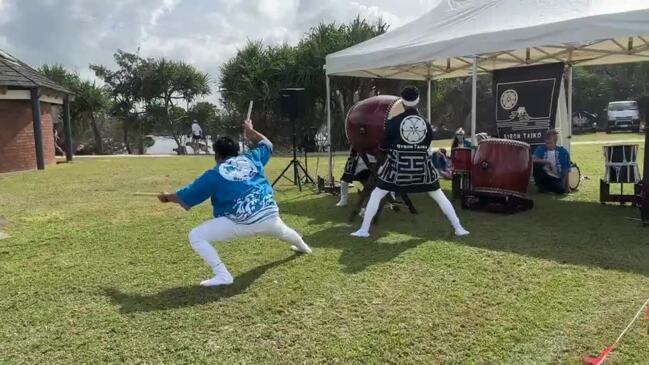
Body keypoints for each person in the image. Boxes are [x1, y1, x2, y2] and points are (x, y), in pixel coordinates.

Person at [157, 119, 312, 287]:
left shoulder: (214, 174)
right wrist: (251, 132)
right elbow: (267, 144)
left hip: (240, 222)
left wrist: (167, 197)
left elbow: (185, 195)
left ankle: (222, 275)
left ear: (217, 155)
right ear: (236, 151)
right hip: (269, 215)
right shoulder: (252, 158)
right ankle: (304, 247)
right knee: (284, 231)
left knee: (196, 236)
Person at [351, 86, 469, 238]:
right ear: (418, 101)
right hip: (423, 171)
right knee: (439, 196)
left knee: (376, 194)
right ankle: (459, 228)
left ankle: (364, 230)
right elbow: (426, 146)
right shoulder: (426, 124)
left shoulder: (393, 123)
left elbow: (383, 147)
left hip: (397, 170)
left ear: (402, 102)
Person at [532, 129, 571, 194]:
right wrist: (547, 162)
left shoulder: (563, 152)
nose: (547, 145)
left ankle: (545, 188)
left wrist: (567, 187)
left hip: (556, 177)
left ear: (555, 142)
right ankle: (542, 187)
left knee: (560, 190)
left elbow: (566, 170)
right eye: (546, 143)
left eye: (550, 143)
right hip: (545, 175)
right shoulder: (541, 148)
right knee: (536, 166)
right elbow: (532, 159)